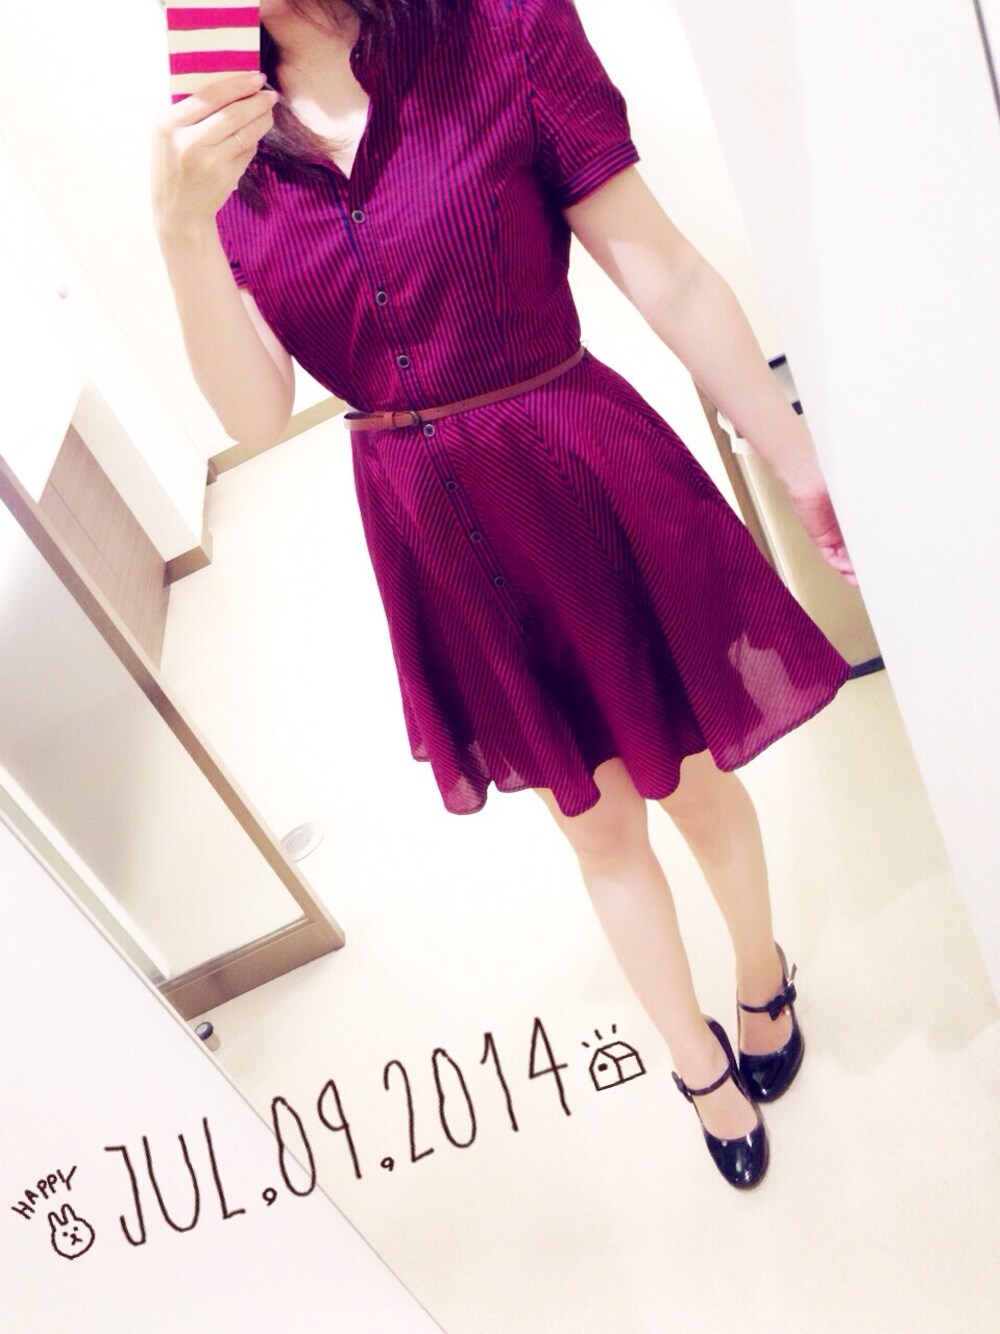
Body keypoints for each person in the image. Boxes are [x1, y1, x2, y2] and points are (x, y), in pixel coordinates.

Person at [152, 0, 857, 1191]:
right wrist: (177, 228)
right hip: (438, 528)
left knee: (689, 779)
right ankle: (693, 1061)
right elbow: (257, 414)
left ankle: (759, 976)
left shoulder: (499, 28)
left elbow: (668, 273)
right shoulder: (219, 146)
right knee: (593, 820)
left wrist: (794, 456)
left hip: (581, 470)